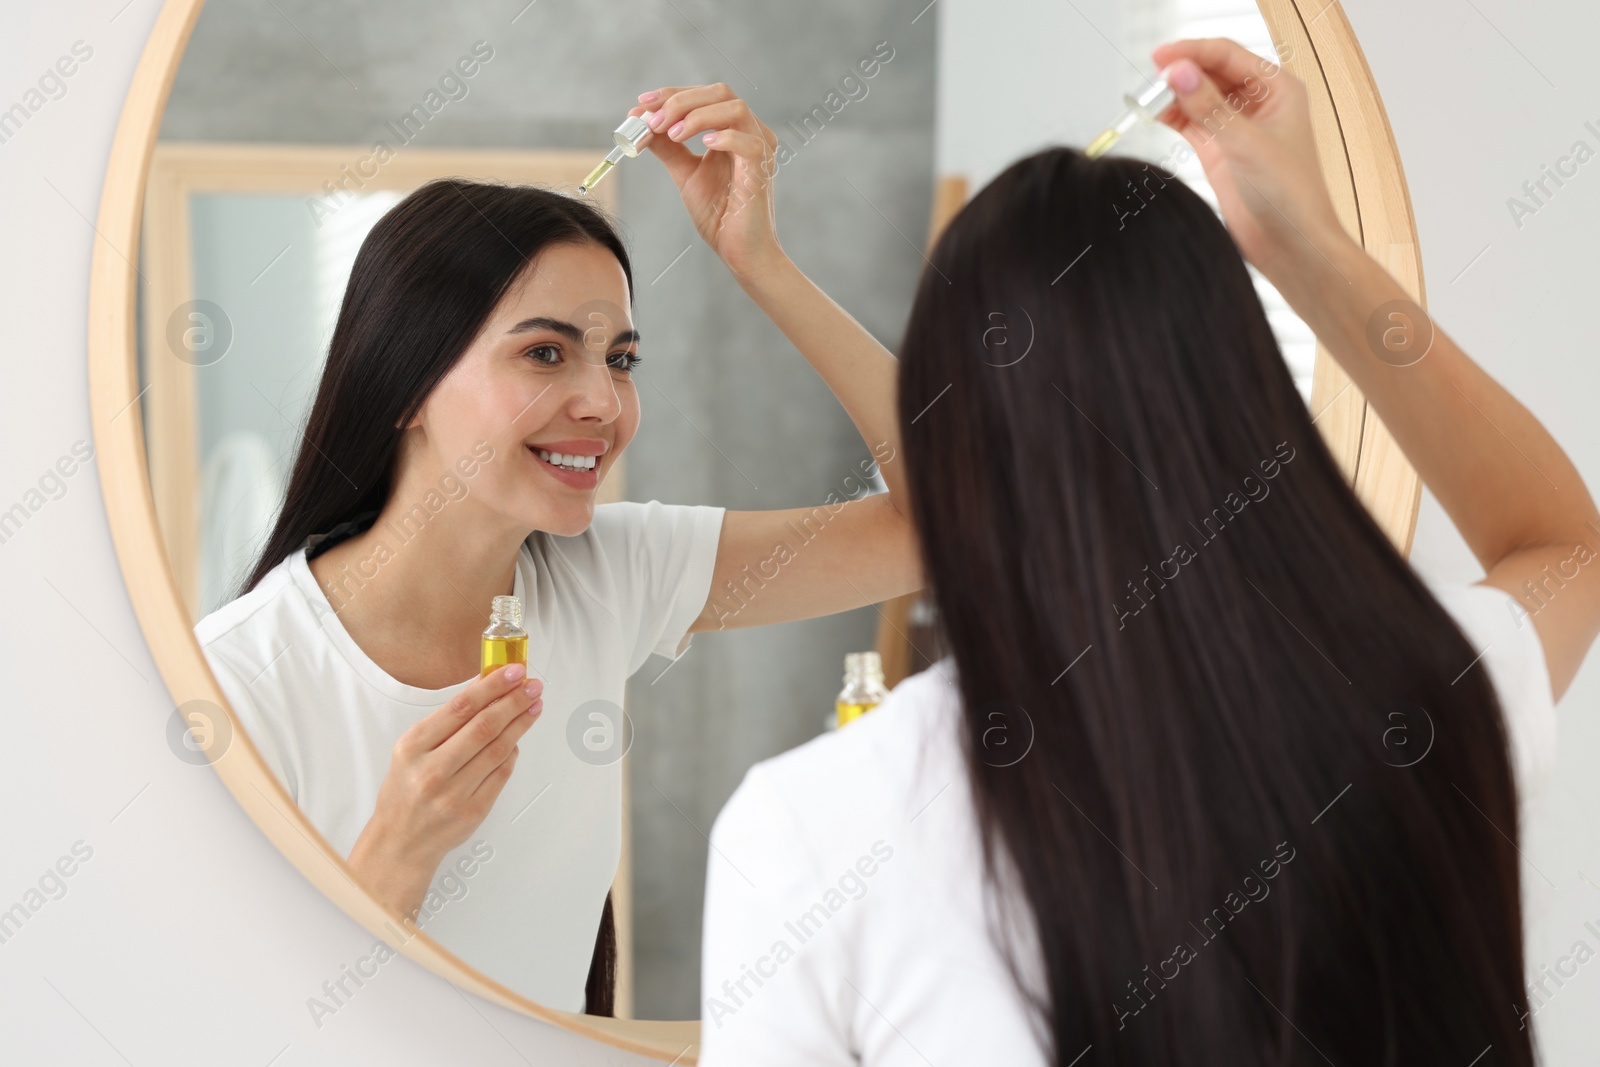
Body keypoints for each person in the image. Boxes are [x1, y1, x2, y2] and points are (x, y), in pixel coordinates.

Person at [698, 38, 1597, 1066]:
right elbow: (1558, 541)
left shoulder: (817, 832)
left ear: (950, 444)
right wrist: (1303, 243)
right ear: (1249, 399)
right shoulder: (1422, 697)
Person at [192, 84, 920, 1015]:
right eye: (545, 353)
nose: (603, 403)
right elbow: (216, 1027)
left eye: (619, 357)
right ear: (404, 382)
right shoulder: (244, 679)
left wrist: (760, 262)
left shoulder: (608, 576)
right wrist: (397, 850)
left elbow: (937, 527)